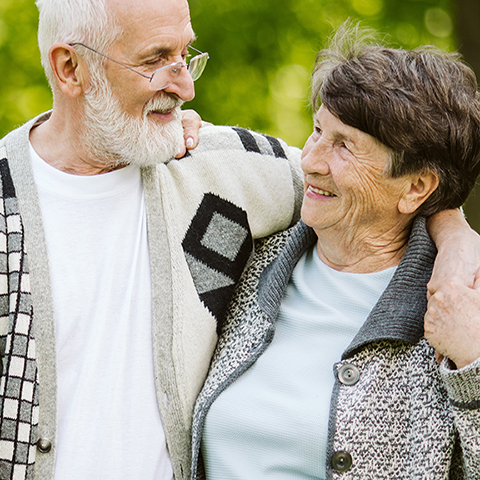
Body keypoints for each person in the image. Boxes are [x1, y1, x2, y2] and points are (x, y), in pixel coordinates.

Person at [0, 2, 477, 479]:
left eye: (186, 55)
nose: (186, 86)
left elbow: (405, 182)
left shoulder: (224, 173)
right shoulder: (9, 209)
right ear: (70, 68)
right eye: (154, 60)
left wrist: (457, 239)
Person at [190, 26, 480, 479]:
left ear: (416, 187)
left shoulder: (459, 305)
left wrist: (473, 368)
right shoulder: (250, 257)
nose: (311, 159)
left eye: (344, 145)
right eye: (317, 130)